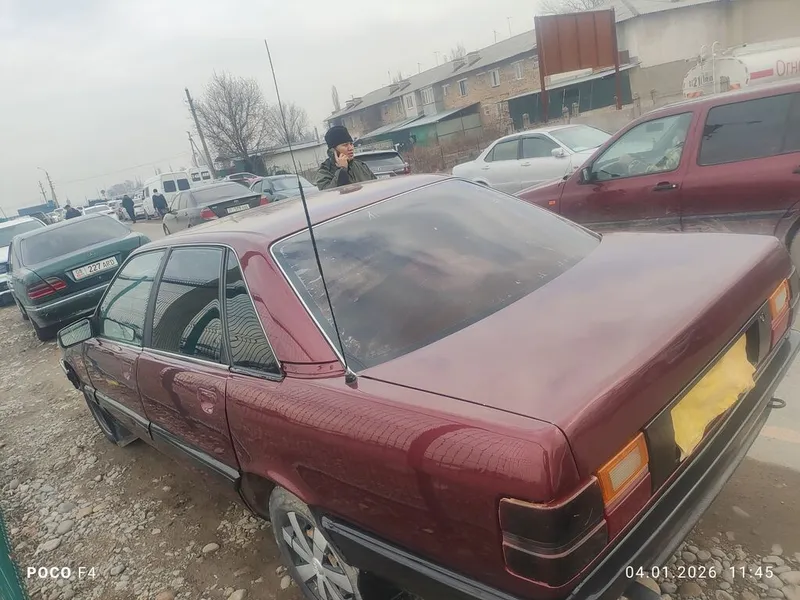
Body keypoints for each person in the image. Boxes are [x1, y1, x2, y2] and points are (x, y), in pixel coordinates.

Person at [316, 126, 376, 190]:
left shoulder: (361, 166)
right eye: (345, 145)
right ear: (333, 151)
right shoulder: (325, 172)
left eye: (351, 144)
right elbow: (330, 193)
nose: (350, 148)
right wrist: (342, 171)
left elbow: (376, 187)